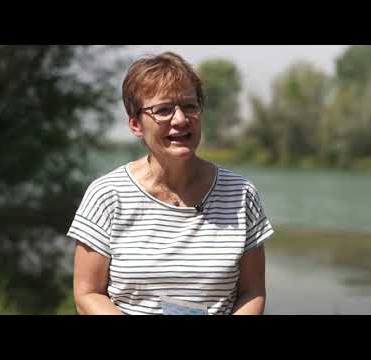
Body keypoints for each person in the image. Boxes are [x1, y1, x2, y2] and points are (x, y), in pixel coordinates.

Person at [67, 52, 274, 315]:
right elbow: (88, 293)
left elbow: (252, 291)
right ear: (135, 125)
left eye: (190, 106)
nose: (180, 120)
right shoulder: (107, 195)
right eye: (163, 110)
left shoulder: (241, 194)